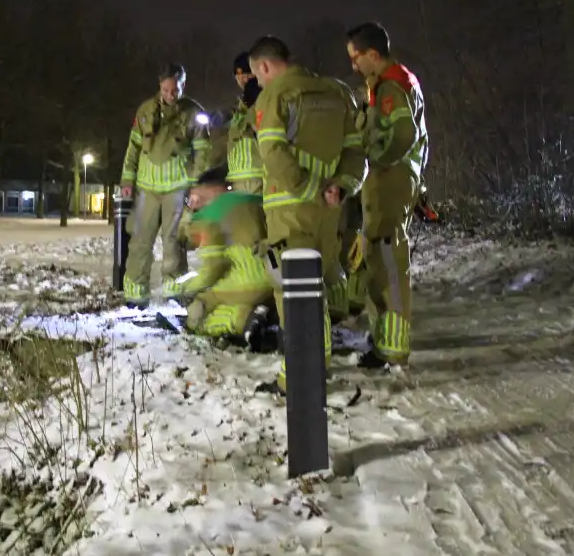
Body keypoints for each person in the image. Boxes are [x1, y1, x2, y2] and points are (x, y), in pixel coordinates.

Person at [248, 36, 366, 393]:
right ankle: (319, 366)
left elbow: (273, 152)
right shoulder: (338, 92)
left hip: (290, 209)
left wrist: (309, 188)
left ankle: (297, 380)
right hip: (331, 212)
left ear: (265, 67)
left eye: (257, 75)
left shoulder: (275, 95)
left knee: (292, 296)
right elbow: (355, 150)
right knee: (319, 292)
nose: (259, 82)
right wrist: (341, 188)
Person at [346, 22, 430, 368]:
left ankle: (392, 347)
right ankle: (385, 341)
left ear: (373, 54)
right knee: (379, 260)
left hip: (390, 179)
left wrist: (375, 162)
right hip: (395, 179)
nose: (353, 65)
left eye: (356, 58)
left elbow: (403, 135)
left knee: (387, 261)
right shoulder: (393, 83)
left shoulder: (391, 87)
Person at [119, 63, 212, 308]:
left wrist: (196, 187)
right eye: (166, 89)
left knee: (173, 242)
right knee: (140, 240)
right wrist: (127, 180)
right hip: (147, 188)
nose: (171, 95)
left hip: (177, 187)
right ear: (160, 86)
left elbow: (203, 153)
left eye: (175, 90)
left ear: (183, 85)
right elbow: (133, 148)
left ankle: (174, 294)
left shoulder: (194, 113)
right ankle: (135, 295)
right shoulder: (145, 111)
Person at [174, 165, 275, 349]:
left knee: (202, 306)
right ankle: (266, 313)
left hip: (248, 281)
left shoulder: (211, 213)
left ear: (208, 190)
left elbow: (214, 268)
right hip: (276, 278)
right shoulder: (255, 200)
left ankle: (242, 320)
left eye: (196, 195)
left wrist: (187, 289)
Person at [225, 52, 264, 195]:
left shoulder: (264, 99)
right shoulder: (239, 106)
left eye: (248, 75)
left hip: (259, 177)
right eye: (240, 76)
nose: (244, 80)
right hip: (238, 178)